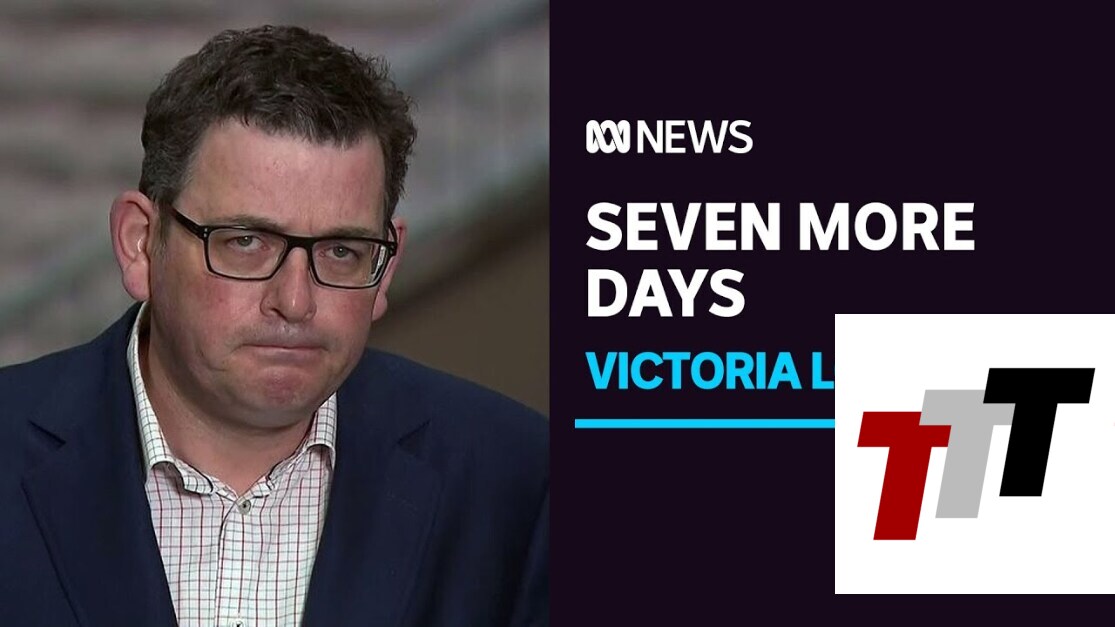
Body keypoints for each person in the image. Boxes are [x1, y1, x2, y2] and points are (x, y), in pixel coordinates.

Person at [0, 25, 548, 626]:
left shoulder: (518, 482)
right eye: (246, 242)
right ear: (140, 244)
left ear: (385, 268)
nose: (295, 301)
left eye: (341, 251)